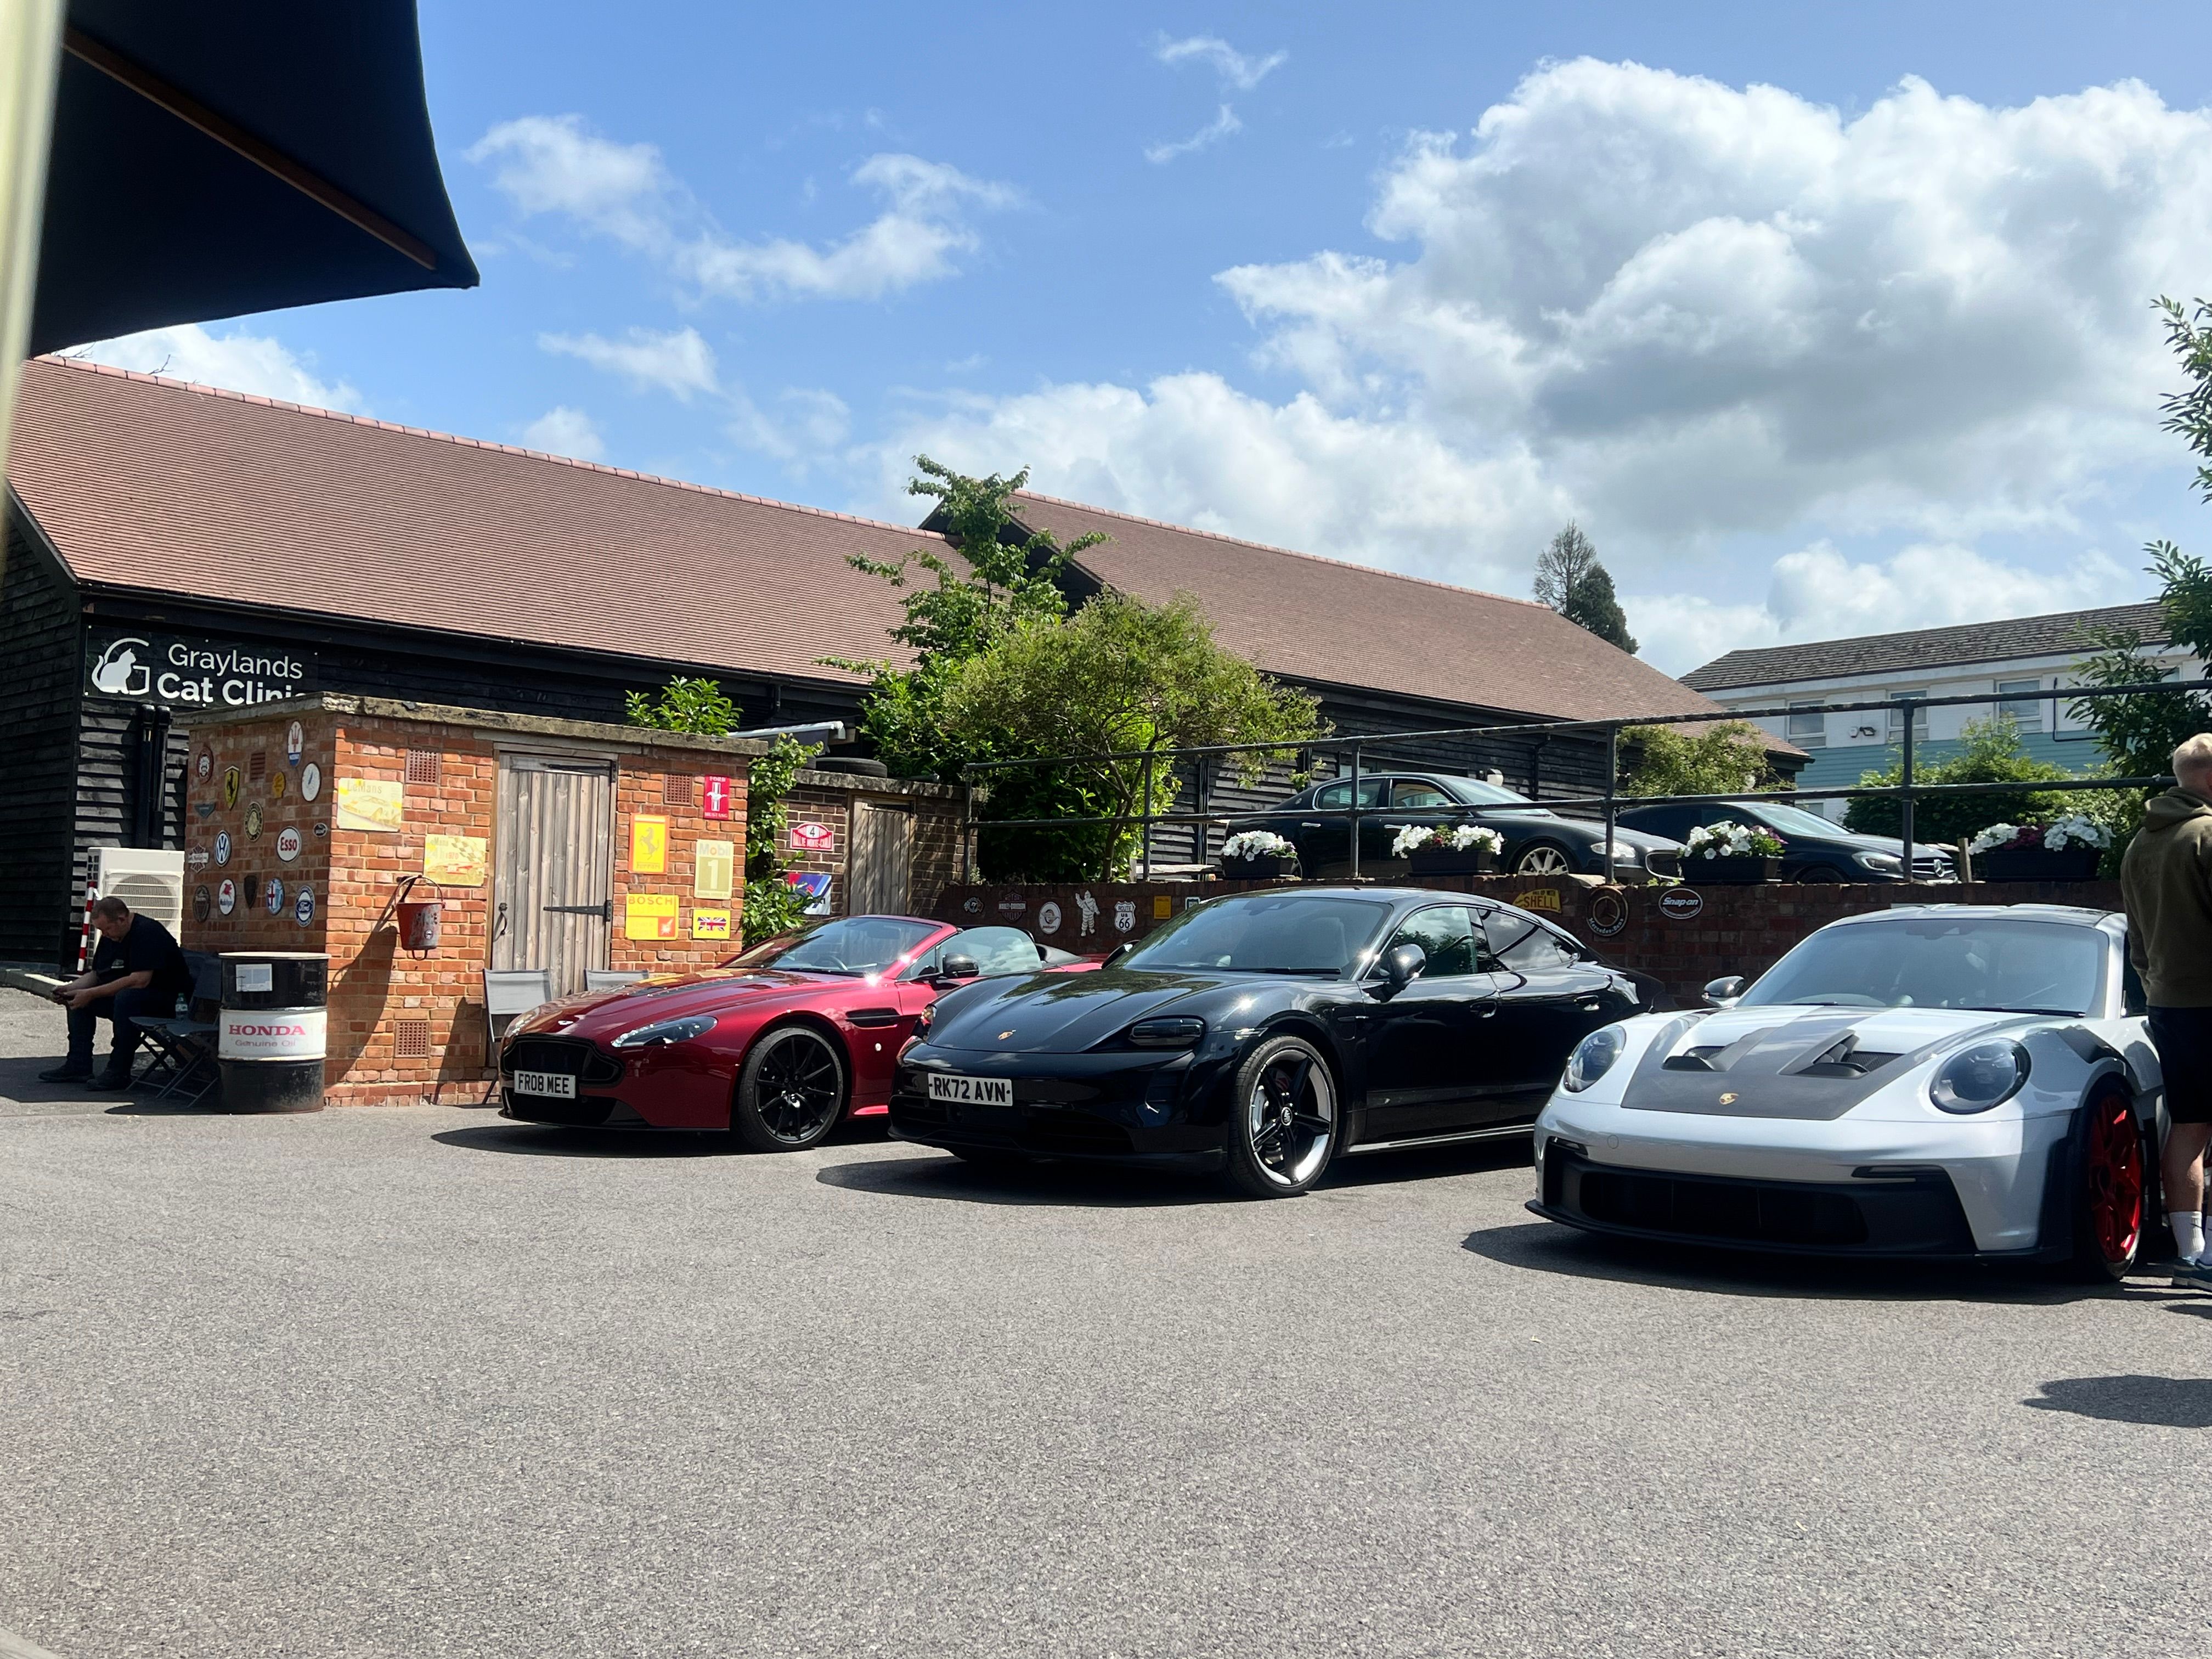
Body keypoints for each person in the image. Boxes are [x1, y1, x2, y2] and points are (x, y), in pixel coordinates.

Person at [2123, 734, 2212, 1279]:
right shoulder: (2207, 835)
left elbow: (2135, 938)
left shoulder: (2141, 843)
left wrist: (2157, 984)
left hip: (2169, 1002)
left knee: (2190, 1124)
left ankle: (2188, 1252)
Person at [38, 895, 190, 1090]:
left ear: (122, 919)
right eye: (101, 930)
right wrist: (70, 989)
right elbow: (98, 974)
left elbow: (140, 980)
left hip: (169, 1001)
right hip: (129, 999)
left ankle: (119, 1071)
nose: (105, 934)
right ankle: (78, 1065)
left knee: (126, 998)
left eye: (107, 929)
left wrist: (91, 994)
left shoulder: (148, 932)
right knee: (78, 999)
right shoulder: (111, 936)